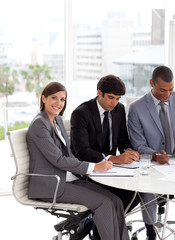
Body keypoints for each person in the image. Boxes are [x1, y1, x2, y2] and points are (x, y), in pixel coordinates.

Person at [26, 81, 130, 240]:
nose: (59, 103)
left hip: (67, 178)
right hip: (51, 185)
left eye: (62, 99)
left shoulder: (57, 120)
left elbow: (68, 154)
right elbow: (59, 160)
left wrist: (85, 171)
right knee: (104, 203)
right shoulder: (39, 125)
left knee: (115, 200)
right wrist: (93, 167)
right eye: (54, 98)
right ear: (43, 98)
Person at [70, 74, 156, 240]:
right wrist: (112, 158)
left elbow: (123, 139)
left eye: (117, 99)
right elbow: (81, 151)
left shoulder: (119, 109)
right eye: (110, 98)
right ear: (99, 92)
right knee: (114, 197)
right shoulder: (81, 113)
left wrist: (130, 150)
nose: (114, 103)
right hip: (89, 170)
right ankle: (97, 230)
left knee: (134, 191)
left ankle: (90, 224)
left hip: (111, 170)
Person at [128, 65, 174, 240]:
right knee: (147, 187)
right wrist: (155, 155)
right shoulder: (136, 108)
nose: (167, 95)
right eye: (163, 90)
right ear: (151, 83)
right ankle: (150, 231)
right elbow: (138, 144)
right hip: (153, 162)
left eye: (171, 89)